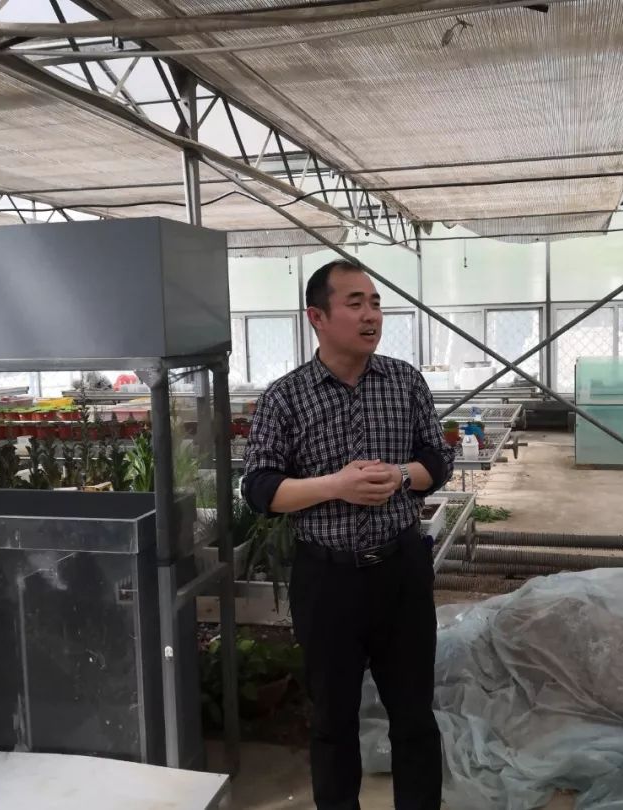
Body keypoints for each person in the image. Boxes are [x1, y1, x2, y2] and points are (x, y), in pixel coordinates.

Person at [242, 259, 455, 810]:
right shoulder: (286, 397)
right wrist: (335, 485)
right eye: (355, 303)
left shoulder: (405, 381)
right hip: (327, 579)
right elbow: (260, 488)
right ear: (316, 317)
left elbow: (438, 459)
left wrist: (402, 475)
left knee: (414, 716)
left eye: (376, 303)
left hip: (401, 571)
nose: (371, 316)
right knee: (333, 722)